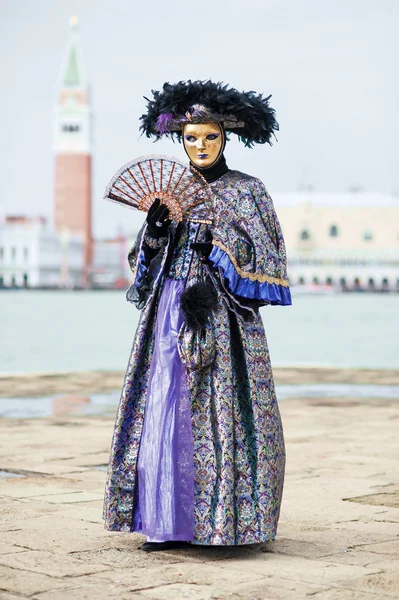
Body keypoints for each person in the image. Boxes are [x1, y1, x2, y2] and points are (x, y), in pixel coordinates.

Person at [103, 80, 292, 551]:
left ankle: (223, 526)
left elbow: (271, 263)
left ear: (225, 137)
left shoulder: (249, 191)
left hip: (225, 318)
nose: (200, 146)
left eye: (209, 136)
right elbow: (141, 269)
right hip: (167, 313)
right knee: (164, 409)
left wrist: (222, 246)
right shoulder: (170, 194)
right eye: (191, 138)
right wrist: (155, 231)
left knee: (222, 414)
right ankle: (165, 522)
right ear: (179, 140)